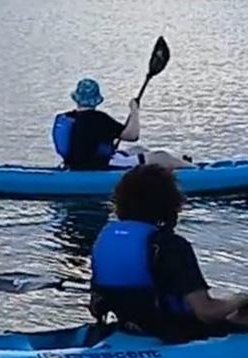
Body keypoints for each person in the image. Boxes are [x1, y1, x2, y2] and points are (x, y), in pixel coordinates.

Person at [88, 163, 248, 343]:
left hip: (129, 328)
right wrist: (239, 298)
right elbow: (206, 313)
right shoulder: (170, 246)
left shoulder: (104, 240)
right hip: (175, 334)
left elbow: (96, 306)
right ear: (169, 203)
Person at [52, 78, 194, 171]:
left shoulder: (69, 117)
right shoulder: (99, 119)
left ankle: (179, 165)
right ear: (96, 100)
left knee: (139, 149)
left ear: (77, 98)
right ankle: (192, 169)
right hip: (101, 166)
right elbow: (132, 135)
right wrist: (134, 110)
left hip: (75, 164)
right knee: (161, 156)